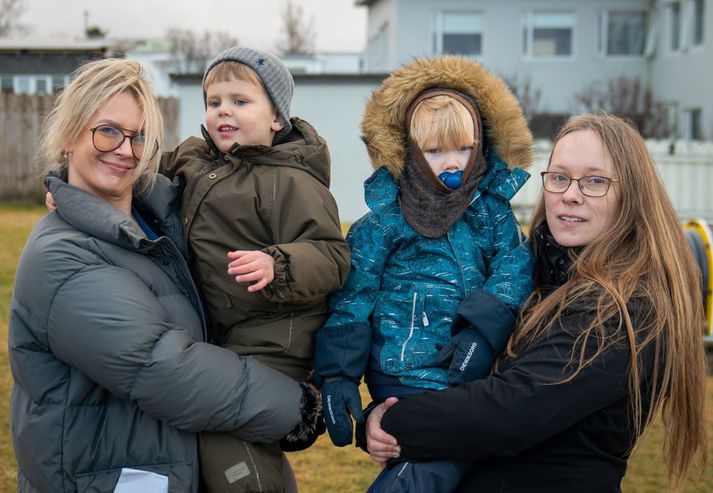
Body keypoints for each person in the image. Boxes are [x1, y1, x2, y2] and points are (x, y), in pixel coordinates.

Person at [9, 58, 322, 493]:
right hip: (109, 476)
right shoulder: (62, 257)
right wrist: (294, 407)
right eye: (108, 131)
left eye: (139, 137)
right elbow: (162, 367)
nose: (125, 150)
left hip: (178, 460)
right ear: (68, 135)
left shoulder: (159, 219)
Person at [366, 113, 709, 492]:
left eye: (595, 181)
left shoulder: (626, 306)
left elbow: (511, 411)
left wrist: (393, 419)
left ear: (631, 195)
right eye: (559, 177)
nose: (570, 194)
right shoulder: (534, 277)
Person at [313, 56, 535, 492]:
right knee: (426, 466)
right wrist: (338, 376)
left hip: (469, 372)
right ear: (410, 153)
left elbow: (514, 273)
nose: (451, 162)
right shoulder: (382, 224)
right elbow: (353, 300)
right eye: (435, 151)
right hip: (402, 376)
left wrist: (482, 332)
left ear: (481, 147)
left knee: (438, 466)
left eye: (464, 149)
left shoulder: (491, 215)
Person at [158, 47, 350, 492]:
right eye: (214, 102)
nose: (224, 110)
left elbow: (332, 255)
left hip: (274, 340)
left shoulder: (291, 181)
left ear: (276, 119)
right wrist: (73, 181)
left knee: (229, 443)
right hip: (221, 334)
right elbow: (135, 172)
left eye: (240, 101)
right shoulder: (192, 159)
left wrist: (278, 263)